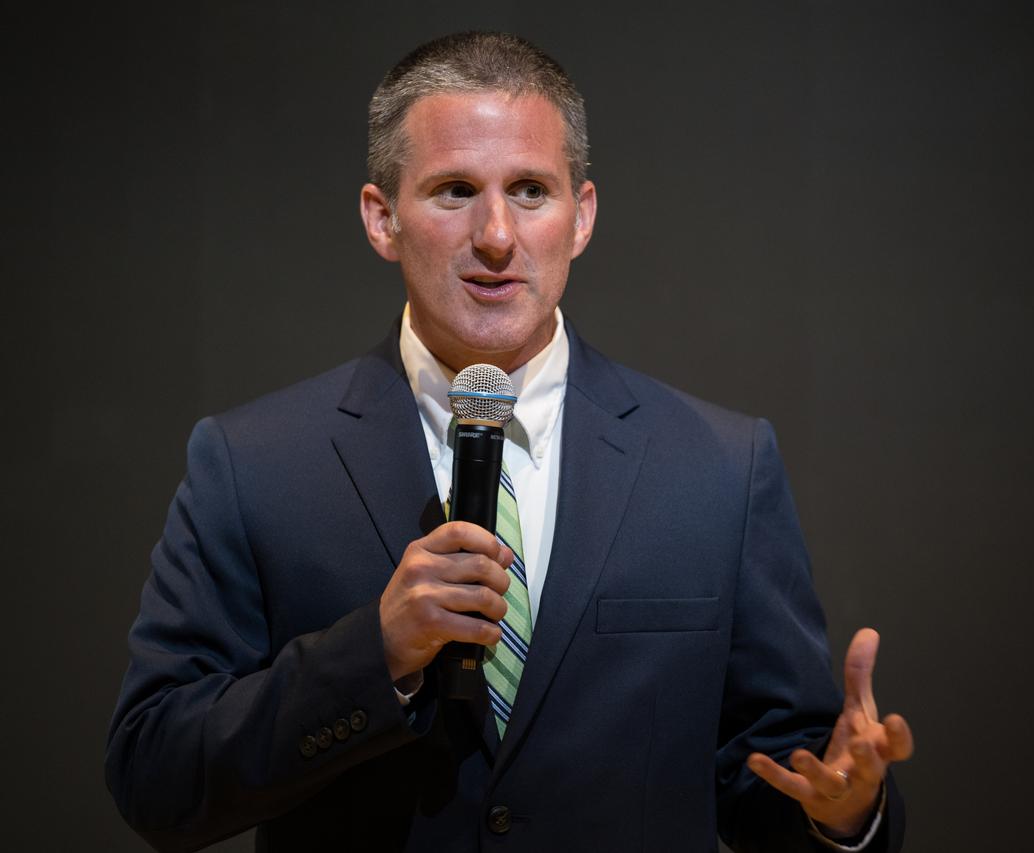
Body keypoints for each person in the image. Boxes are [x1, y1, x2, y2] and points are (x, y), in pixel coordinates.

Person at [106, 32, 913, 852]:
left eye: (530, 191)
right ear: (382, 219)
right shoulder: (254, 464)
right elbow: (155, 774)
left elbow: (779, 776)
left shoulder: (718, 466)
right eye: (455, 191)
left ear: (583, 216)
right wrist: (373, 655)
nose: (497, 235)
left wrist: (841, 814)